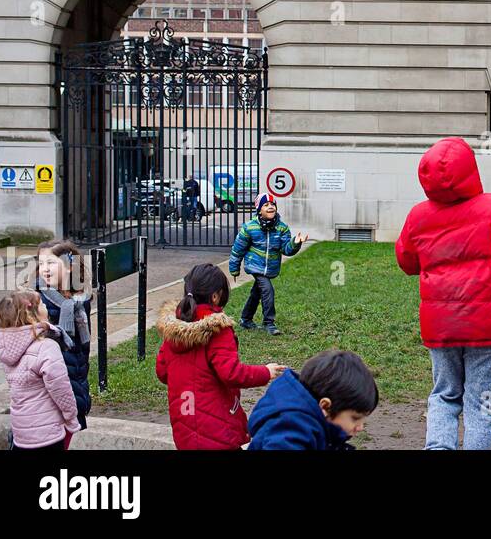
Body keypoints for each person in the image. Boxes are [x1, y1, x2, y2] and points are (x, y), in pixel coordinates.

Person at [395, 136, 491, 450]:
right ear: (471, 169)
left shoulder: (418, 215)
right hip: (488, 325)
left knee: (444, 393)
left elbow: (407, 261)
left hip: (441, 325)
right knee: (481, 398)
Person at [155, 263, 284, 450]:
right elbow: (231, 374)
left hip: (184, 429)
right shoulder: (217, 329)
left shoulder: (174, 330)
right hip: (218, 430)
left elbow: (162, 372)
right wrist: (265, 372)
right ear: (216, 296)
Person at [0, 291, 80, 451]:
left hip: (21, 431)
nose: (46, 305)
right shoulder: (46, 346)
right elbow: (61, 389)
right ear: (32, 315)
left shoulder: (7, 350)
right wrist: (71, 418)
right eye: (42, 304)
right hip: (48, 432)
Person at [248, 349, 379, 450]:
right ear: (326, 406)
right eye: (355, 418)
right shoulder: (291, 429)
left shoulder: (308, 421)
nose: (360, 427)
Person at [229, 192, 308, 335]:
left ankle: (246, 319)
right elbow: (237, 249)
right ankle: (269, 323)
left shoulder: (282, 228)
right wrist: (234, 269)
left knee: (256, 292)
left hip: (270, 267)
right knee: (267, 289)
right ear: (259, 209)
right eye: (266, 205)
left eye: (273, 204)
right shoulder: (249, 228)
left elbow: (286, 249)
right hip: (255, 265)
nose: (270, 207)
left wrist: (295, 243)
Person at [34, 239, 91, 433]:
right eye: (41, 264)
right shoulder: (36, 302)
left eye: (50, 263)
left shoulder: (79, 300)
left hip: (76, 379)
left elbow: (82, 348)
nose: (44, 269)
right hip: (49, 390)